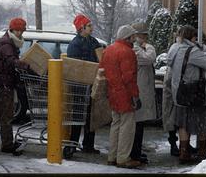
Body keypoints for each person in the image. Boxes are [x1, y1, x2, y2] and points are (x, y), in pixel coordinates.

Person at [100, 24, 142, 169]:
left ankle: (112, 156)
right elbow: (128, 77)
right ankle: (123, 158)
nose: (135, 38)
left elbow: (102, 70)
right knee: (127, 127)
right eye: (133, 36)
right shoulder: (127, 52)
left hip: (112, 91)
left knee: (116, 124)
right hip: (125, 93)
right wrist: (135, 96)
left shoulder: (108, 50)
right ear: (128, 37)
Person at [167, 25, 206, 164]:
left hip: (179, 92)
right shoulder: (192, 51)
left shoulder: (174, 48)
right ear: (192, 37)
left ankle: (183, 153)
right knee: (200, 122)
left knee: (182, 124)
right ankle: (202, 152)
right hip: (193, 93)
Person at [0, 17, 32, 156]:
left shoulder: (10, 42)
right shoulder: (6, 44)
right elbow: (11, 61)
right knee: (7, 115)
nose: (21, 33)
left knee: (7, 114)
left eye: (22, 31)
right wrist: (26, 65)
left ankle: (8, 142)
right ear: (13, 30)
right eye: (19, 30)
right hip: (4, 83)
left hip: (6, 82)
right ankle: (7, 145)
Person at [63, 14, 101, 158]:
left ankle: (88, 144)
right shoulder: (75, 44)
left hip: (92, 84)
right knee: (78, 116)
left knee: (92, 116)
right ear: (81, 28)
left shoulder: (94, 41)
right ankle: (72, 144)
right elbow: (74, 66)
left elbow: (100, 57)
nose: (92, 27)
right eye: (89, 25)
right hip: (79, 85)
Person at [130, 22, 157, 164]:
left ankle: (137, 151)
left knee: (139, 124)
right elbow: (149, 58)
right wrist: (149, 47)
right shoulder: (136, 48)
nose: (146, 38)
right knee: (137, 124)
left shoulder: (138, 47)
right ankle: (135, 153)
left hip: (141, 87)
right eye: (144, 35)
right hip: (139, 89)